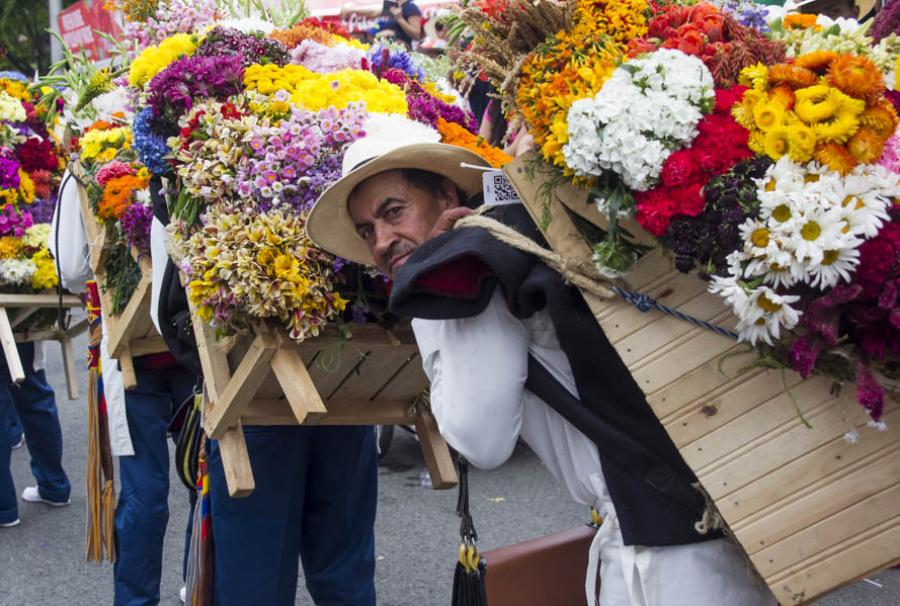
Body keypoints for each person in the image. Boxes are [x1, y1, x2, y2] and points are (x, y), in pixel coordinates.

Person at [306, 119, 778, 606]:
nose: (382, 240)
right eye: (368, 230)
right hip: (690, 527)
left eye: (393, 212)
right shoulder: (515, 240)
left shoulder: (477, 272)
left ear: (446, 196)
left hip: (670, 561)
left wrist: (429, 290)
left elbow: (478, 438)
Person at [149, 176, 379, 605]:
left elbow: (169, 316)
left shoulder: (186, 180)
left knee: (256, 583)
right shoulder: (346, 172)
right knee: (345, 575)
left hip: (254, 405)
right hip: (349, 390)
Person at [52, 169, 197, 605]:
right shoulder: (196, 159)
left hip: (134, 355)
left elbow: (72, 268)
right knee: (205, 482)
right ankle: (200, 585)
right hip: (197, 352)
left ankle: (137, 600)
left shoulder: (86, 167)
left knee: (143, 494)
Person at [0, 341, 71, 528]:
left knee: (32, 391)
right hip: (21, 319)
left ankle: (3, 507)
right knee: (33, 392)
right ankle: (54, 485)